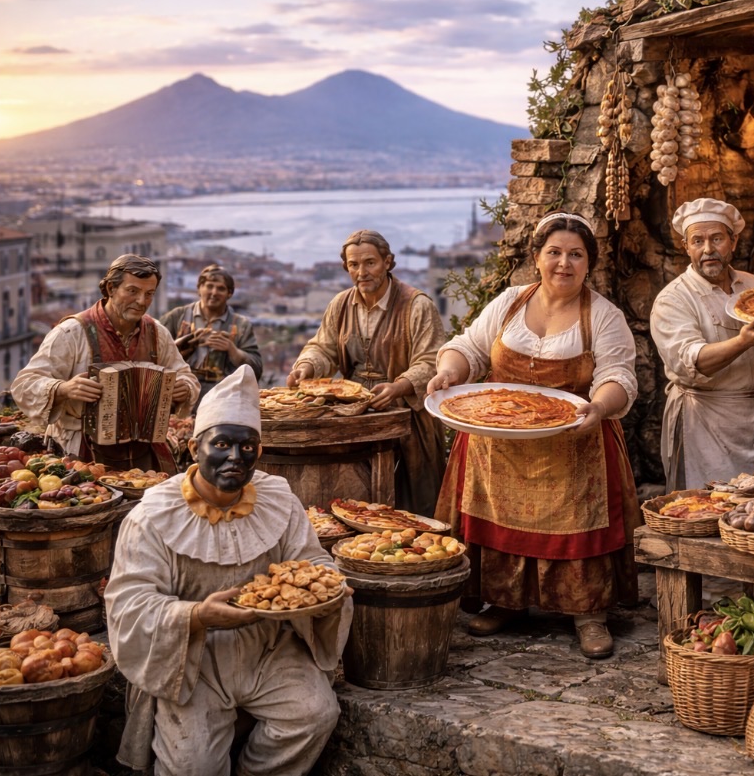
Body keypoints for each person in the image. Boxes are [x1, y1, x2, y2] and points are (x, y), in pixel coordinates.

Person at [104, 365, 353, 776]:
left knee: (315, 714)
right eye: (221, 444)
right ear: (192, 447)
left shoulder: (279, 500)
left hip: (268, 647)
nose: (236, 458)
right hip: (192, 659)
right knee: (192, 766)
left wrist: (329, 592)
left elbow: (312, 563)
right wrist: (197, 615)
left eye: (248, 447)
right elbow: (130, 605)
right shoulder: (152, 515)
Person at [427, 212, 640, 659]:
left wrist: (598, 406)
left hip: (574, 442)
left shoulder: (603, 315)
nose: (564, 263)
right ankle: (507, 602)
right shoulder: (508, 302)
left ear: (589, 263)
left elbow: (617, 374)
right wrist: (448, 372)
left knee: (576, 526)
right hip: (497, 442)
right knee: (502, 521)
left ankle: (588, 612)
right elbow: (469, 347)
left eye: (576, 255)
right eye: (555, 252)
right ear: (536, 258)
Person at [651, 198, 754, 491]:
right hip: (708, 421)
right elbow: (692, 361)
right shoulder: (673, 299)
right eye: (697, 241)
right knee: (709, 512)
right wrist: (742, 343)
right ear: (686, 247)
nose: (708, 249)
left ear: (733, 241)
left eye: (717, 239)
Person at [287, 229, 447, 516]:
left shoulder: (417, 305)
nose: (362, 272)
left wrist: (399, 387)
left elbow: (431, 360)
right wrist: (306, 367)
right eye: (354, 265)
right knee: (354, 495)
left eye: (370, 263)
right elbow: (323, 348)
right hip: (354, 412)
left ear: (387, 262)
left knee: (411, 501)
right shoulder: (340, 304)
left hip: (406, 414)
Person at [11, 254, 199, 473]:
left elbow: (186, 376)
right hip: (80, 453)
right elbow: (23, 385)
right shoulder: (71, 332)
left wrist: (183, 388)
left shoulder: (158, 333)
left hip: (145, 454)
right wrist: (63, 388)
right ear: (111, 288)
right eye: (132, 291)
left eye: (149, 294)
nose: (142, 301)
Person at [160, 264, 263, 405]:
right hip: (181, 397)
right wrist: (180, 348)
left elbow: (256, 369)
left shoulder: (241, 325)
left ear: (229, 293)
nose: (214, 292)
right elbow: (154, 355)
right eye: (209, 286)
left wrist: (233, 350)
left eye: (221, 288)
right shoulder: (176, 317)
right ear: (199, 288)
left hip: (223, 400)